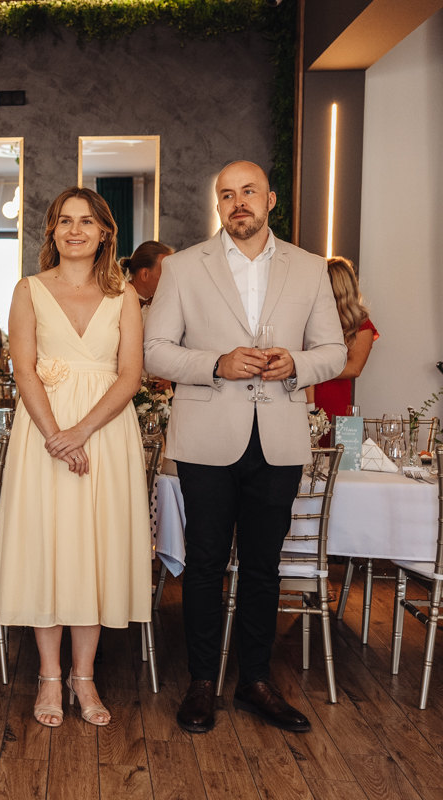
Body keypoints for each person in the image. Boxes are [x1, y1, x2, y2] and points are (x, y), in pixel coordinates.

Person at [144, 160, 346, 734]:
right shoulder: (183, 267)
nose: (238, 203)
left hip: (279, 437)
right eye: (227, 194)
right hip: (206, 438)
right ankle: (201, 682)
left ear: (270, 200)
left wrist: (296, 364)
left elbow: (333, 350)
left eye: (249, 192)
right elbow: (155, 350)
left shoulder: (310, 268)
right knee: (205, 563)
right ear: (219, 206)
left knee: (263, 565)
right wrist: (217, 363)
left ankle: (256, 681)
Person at [0, 187, 151, 729]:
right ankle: (50, 676)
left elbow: (130, 375)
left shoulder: (125, 295)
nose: (74, 230)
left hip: (104, 433)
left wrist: (80, 432)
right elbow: (24, 370)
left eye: (85, 221)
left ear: (105, 232)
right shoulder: (29, 290)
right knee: (49, 547)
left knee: (95, 549)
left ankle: (85, 676)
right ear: (52, 231)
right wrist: (56, 434)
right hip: (43, 433)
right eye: (64, 221)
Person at [306, 256, 378, 432]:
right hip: (302, 400)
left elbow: (354, 368)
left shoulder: (361, 325)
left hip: (333, 401)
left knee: (333, 447)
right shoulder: (308, 318)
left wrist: (310, 367)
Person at [123, 241, 176, 391]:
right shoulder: (115, 302)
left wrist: (169, 374)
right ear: (145, 274)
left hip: (158, 393)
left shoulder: (168, 304)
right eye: (165, 273)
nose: (171, 279)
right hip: (124, 390)